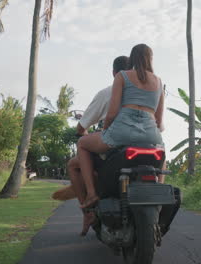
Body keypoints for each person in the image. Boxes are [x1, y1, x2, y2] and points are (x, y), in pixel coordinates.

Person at [77, 43, 165, 210]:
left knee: (82, 144)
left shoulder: (122, 76)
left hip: (122, 132)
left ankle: (91, 193)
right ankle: (158, 192)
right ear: (150, 59)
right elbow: (159, 121)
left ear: (132, 58)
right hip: (150, 134)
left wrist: (106, 131)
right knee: (161, 153)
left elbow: (111, 113)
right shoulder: (159, 82)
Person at [53, 56, 131, 236]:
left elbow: (82, 127)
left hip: (114, 146)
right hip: (146, 142)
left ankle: (89, 205)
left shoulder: (107, 93)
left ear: (114, 73)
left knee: (74, 162)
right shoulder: (144, 90)